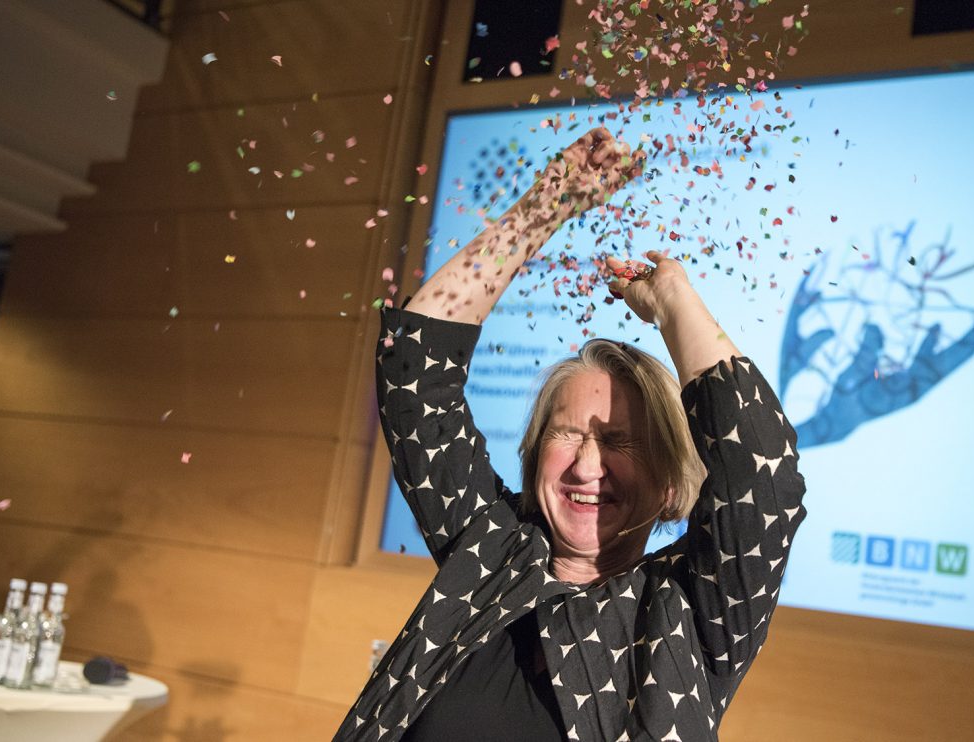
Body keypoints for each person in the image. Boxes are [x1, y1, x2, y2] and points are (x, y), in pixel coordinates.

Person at [334, 128, 806, 742]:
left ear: (670, 485)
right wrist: (546, 206)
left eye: (623, 443)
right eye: (567, 434)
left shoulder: (692, 611)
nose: (587, 466)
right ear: (534, 459)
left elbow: (763, 480)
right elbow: (413, 370)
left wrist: (671, 300)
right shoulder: (490, 554)